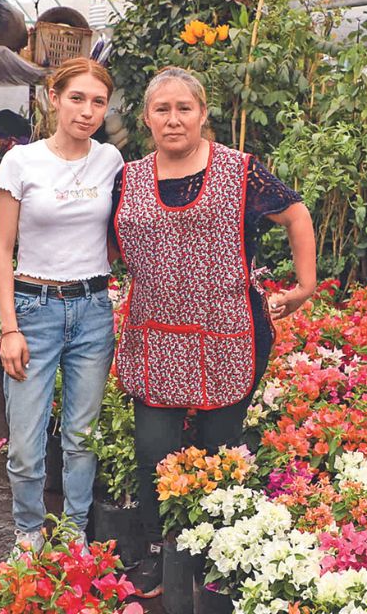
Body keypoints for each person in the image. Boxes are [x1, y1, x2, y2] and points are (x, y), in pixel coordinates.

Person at [110, 67, 316, 598]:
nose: (173, 119)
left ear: (203, 113)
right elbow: (106, 240)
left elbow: (297, 215)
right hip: (155, 334)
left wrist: (306, 285)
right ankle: (158, 548)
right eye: (162, 109)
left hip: (229, 332)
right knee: (153, 448)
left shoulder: (241, 172)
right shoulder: (127, 176)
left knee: (219, 449)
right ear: (147, 118)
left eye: (185, 108)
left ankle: (216, 552)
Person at [0, 57, 124, 552]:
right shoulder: (21, 163)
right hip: (33, 310)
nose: (87, 111)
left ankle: (73, 535)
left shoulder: (110, 160)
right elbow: (1, 248)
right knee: (26, 445)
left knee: (81, 439)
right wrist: (9, 328)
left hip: (92, 310)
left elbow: (117, 231)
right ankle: (29, 533)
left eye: (98, 102)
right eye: (77, 98)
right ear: (54, 98)